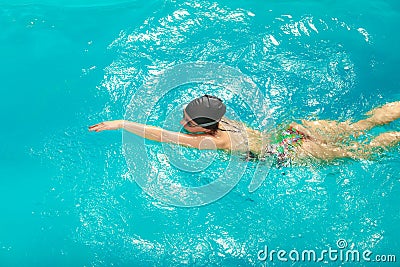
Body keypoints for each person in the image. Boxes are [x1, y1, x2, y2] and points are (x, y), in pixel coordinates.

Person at [89, 95, 400, 166]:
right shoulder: (223, 120)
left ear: (205, 128)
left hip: (286, 151)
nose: (182, 123)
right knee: (357, 126)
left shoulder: (213, 142)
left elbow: (159, 135)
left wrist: (121, 123)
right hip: (292, 132)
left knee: (360, 153)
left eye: (188, 121)